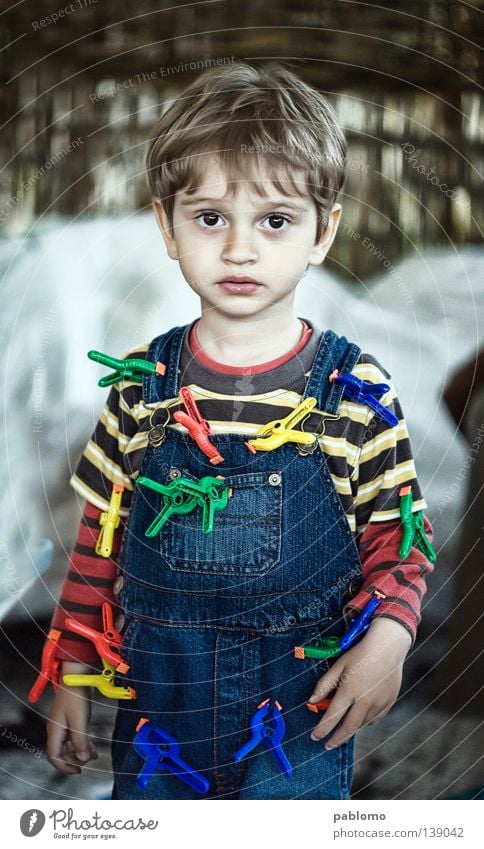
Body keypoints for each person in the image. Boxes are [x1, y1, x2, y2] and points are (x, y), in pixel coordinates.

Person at [42, 63, 435, 800]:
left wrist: (390, 638)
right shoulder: (139, 388)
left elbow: (400, 538)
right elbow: (99, 538)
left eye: (276, 220)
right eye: (211, 217)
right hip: (159, 712)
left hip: (300, 719)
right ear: (166, 224)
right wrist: (70, 668)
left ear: (324, 232)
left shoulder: (356, 393)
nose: (240, 249)